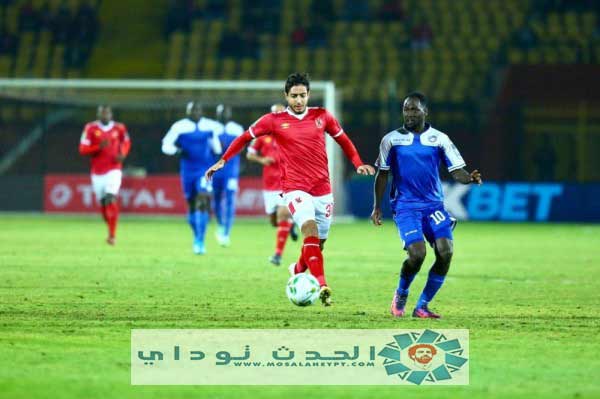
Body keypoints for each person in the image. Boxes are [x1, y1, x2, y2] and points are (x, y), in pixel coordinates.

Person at [206, 73, 375, 306]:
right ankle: (322, 285)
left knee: (318, 243)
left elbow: (343, 140)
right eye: (294, 96)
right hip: (294, 187)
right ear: (286, 96)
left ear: (308, 95)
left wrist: (358, 163)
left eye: (302, 96)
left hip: (322, 188)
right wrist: (223, 160)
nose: (298, 100)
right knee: (309, 230)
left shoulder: (321, 116)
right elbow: (244, 138)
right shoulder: (273, 120)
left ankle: (296, 269)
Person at [371, 92, 482, 318]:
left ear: (425, 111)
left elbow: (456, 170)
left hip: (433, 206)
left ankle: (422, 305)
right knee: (417, 254)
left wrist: (469, 178)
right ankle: (401, 293)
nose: (409, 114)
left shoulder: (440, 139)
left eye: (414, 109)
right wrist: (377, 206)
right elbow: (382, 174)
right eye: (406, 109)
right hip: (406, 206)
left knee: (445, 252)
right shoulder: (390, 140)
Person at [162, 101, 223, 255]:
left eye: (197, 110)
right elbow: (165, 145)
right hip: (188, 171)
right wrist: (176, 151)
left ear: (201, 111)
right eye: (192, 110)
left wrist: (217, 150)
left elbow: (217, 147)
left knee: (202, 201)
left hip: (205, 170)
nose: (195, 112)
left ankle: (200, 241)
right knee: (191, 205)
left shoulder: (210, 126)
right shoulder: (179, 126)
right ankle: (197, 235)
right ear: (187, 112)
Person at [246, 103, 299, 266]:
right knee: (274, 221)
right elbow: (249, 154)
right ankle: (289, 226)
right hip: (269, 184)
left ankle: (277, 255)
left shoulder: (294, 134)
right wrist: (262, 159)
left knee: (283, 214)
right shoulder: (263, 136)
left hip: (287, 182)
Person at [78, 105, 131, 245]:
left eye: (107, 113)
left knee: (110, 198)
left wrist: (123, 154)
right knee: (103, 205)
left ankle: (112, 236)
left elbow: (126, 142)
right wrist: (98, 147)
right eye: (102, 113)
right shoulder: (90, 128)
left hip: (114, 169)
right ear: (98, 115)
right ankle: (110, 227)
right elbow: (82, 149)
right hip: (97, 172)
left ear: (111, 114)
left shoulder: (119, 128)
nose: (105, 116)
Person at [212, 104, 244, 247]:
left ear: (229, 114)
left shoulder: (236, 128)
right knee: (216, 198)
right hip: (215, 170)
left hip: (231, 171)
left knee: (230, 199)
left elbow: (241, 146)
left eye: (225, 112)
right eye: (220, 112)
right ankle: (220, 224)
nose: (223, 114)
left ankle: (226, 233)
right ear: (217, 114)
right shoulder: (212, 128)